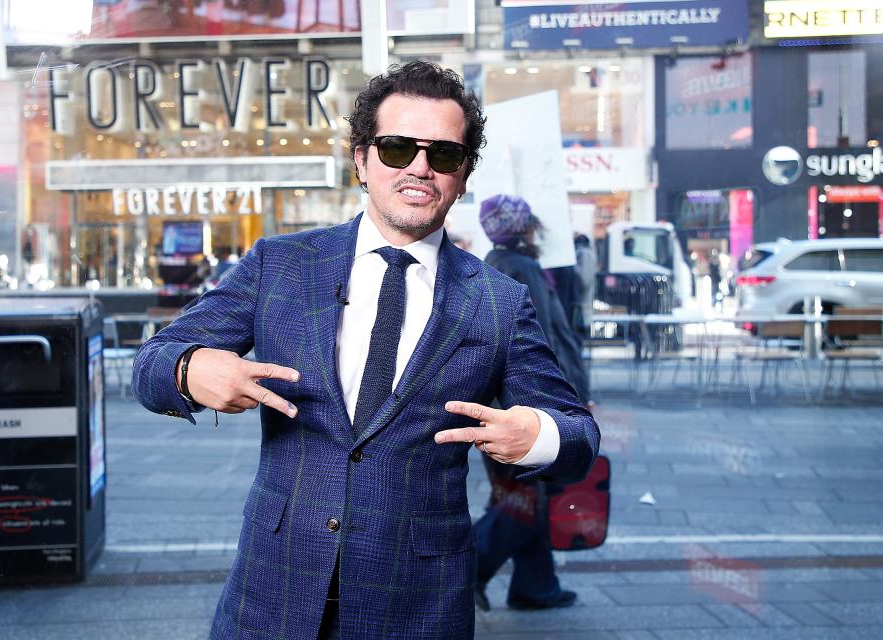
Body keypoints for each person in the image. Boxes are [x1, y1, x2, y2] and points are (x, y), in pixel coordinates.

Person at [132, 60, 599, 640]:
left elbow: (577, 434)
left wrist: (538, 436)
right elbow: (151, 362)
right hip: (273, 595)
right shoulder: (281, 265)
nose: (420, 168)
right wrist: (187, 367)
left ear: (463, 174)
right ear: (361, 158)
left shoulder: (499, 301)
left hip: (418, 607)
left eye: (444, 155)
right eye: (398, 148)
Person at [472, 194, 589, 612]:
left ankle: (535, 586)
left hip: (504, 404)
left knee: (530, 495)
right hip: (526, 408)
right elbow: (545, 344)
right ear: (523, 228)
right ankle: (470, 568)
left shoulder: (493, 264)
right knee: (526, 501)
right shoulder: (521, 269)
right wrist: (568, 401)